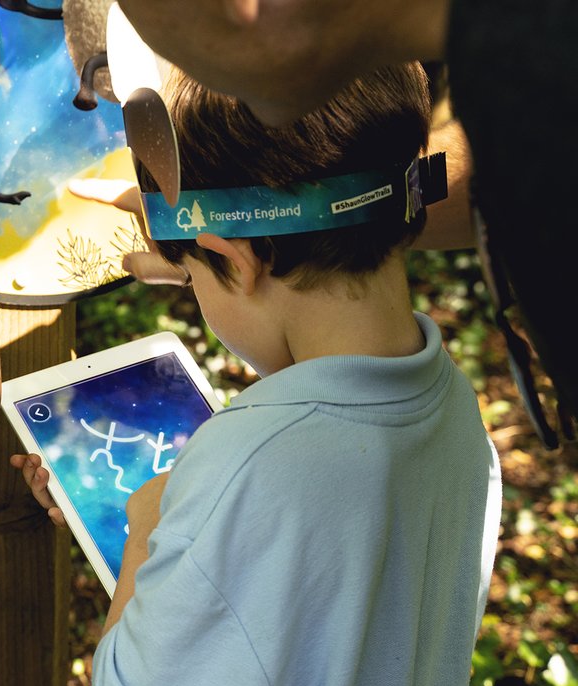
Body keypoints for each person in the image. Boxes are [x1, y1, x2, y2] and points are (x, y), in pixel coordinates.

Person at [13, 61, 502, 686]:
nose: (192, 287)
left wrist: (149, 529)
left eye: (191, 275)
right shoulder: (459, 420)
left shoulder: (247, 466)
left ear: (235, 261)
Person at [110, 0, 575, 447]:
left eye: (181, 52)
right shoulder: (532, 55)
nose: (188, 69)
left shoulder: (541, 51)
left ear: (245, 7)